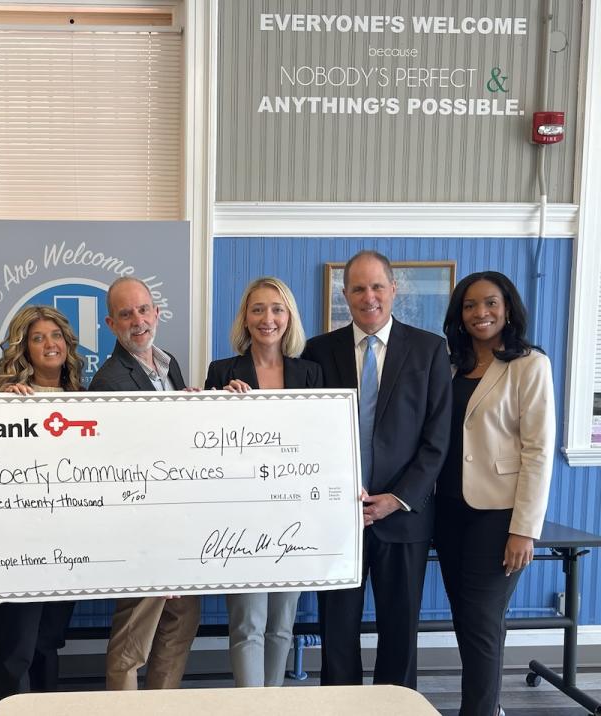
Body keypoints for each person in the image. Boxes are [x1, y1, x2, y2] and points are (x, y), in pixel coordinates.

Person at [301, 250, 451, 689]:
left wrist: (398, 498)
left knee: (400, 633)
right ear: (345, 295)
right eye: (358, 288)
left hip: (404, 516)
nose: (369, 297)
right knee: (337, 633)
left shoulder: (428, 350)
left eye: (377, 286)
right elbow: (302, 432)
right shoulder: (317, 352)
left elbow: (436, 440)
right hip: (338, 518)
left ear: (393, 289)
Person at [436, 272, 555, 716]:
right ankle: (492, 706)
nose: (480, 313)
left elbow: (538, 451)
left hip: (499, 515)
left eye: (490, 303)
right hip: (448, 511)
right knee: (468, 621)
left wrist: (524, 530)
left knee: (482, 621)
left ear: (508, 307)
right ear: (459, 314)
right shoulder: (449, 364)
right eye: (469, 306)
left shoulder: (529, 365)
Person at [203, 277, 321, 687]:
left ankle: (274, 705)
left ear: (289, 317)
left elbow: (322, 446)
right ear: (245, 317)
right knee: (248, 622)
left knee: (283, 624)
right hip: (242, 518)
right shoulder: (222, 372)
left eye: (276, 309)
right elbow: (206, 451)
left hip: (294, 516)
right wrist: (220, 404)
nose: (267, 318)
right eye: (257, 309)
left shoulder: (311, 373)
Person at [89, 276, 200, 690]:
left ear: (156, 312)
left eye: (142, 310)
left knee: (180, 623)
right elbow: (116, 467)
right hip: (142, 529)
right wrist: (155, 554)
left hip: (178, 523)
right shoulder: (109, 381)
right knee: (134, 639)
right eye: (125, 314)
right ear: (111, 324)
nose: (137, 320)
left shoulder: (169, 365)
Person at [0, 305, 83, 700]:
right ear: (22, 348)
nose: (49, 345)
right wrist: (1, 409)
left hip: (66, 542)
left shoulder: (83, 397)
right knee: (17, 647)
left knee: (47, 641)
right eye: (37, 338)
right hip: (16, 545)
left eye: (55, 336)